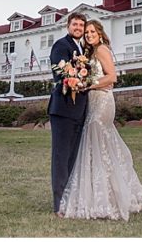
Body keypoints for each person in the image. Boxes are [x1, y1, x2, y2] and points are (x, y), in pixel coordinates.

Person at [57, 19, 142, 221]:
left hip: (103, 102)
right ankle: (102, 195)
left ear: (99, 33)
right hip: (93, 102)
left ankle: (111, 197)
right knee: (97, 145)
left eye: (92, 31)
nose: (89, 34)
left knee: (99, 141)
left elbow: (112, 77)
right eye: (87, 32)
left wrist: (87, 84)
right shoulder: (89, 53)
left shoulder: (101, 50)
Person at [48, 12, 89, 215]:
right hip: (63, 110)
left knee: (72, 157)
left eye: (81, 25)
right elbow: (61, 72)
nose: (78, 27)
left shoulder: (83, 50)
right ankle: (59, 205)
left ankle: (69, 199)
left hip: (80, 111)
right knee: (61, 157)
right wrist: (77, 80)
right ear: (68, 26)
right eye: (75, 24)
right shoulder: (61, 46)